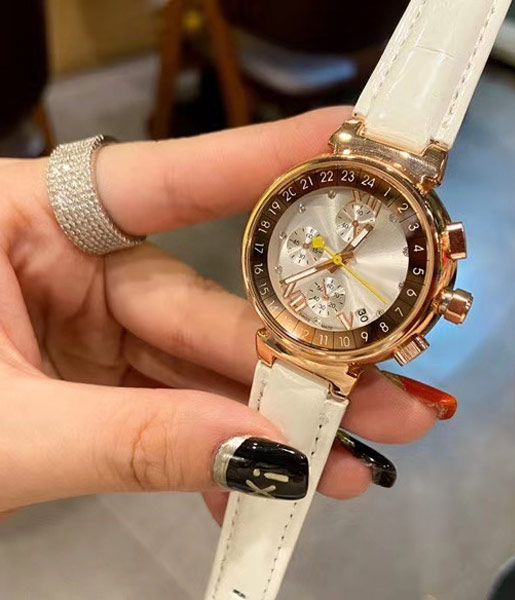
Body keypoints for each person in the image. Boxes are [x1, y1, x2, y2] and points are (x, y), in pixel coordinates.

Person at [0, 106, 455, 523]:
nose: (337, 260)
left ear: (442, 296)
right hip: (290, 332)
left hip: (328, 339)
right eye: (334, 256)